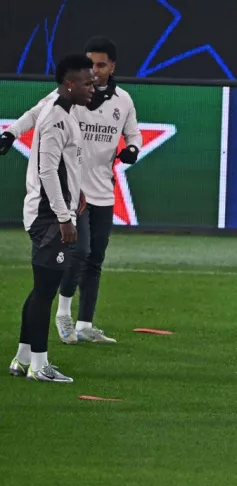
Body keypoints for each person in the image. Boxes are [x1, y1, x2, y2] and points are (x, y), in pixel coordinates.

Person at [1, 36, 141, 346]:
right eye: (90, 65)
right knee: (79, 253)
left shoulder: (123, 101)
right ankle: (62, 314)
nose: (94, 71)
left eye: (100, 65)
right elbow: (36, 114)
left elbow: (134, 133)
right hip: (71, 197)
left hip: (102, 191)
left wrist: (132, 148)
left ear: (112, 66)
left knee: (94, 261)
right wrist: (11, 133)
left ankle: (84, 324)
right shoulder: (67, 99)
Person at [8, 54, 95, 382]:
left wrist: (76, 193)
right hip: (48, 217)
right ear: (69, 84)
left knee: (40, 290)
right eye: (86, 83)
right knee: (45, 292)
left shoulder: (60, 106)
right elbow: (47, 169)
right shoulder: (56, 119)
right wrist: (64, 216)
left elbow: (62, 166)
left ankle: (22, 359)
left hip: (50, 211)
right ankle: (39, 366)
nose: (92, 88)